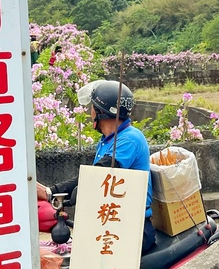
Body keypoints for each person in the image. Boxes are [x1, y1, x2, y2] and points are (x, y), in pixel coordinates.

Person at [36, 80, 156, 254]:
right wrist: (50, 192)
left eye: (92, 107)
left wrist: (62, 193)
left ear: (100, 112)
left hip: (133, 228)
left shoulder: (128, 139)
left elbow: (98, 176)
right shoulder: (108, 140)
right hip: (114, 222)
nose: (90, 112)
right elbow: (89, 176)